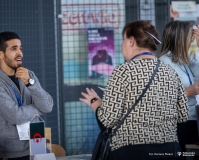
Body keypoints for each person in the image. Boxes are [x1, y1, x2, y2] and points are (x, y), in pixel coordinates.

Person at [79, 20, 189, 160]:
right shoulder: (170, 71)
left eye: (123, 39)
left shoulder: (123, 71)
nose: (122, 45)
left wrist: (94, 101)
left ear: (131, 41)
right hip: (170, 150)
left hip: (133, 151)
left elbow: (108, 119)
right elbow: (183, 115)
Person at [0, 31, 53, 160]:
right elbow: (15, 116)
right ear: (0, 54)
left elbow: (48, 106)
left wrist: (30, 83)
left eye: (20, 48)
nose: (20, 53)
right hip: (12, 154)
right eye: (14, 48)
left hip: (38, 146)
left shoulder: (28, 75)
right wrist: (37, 109)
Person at [158, 21, 199, 155]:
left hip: (190, 120)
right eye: (190, 37)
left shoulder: (182, 59)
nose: (192, 41)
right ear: (180, 38)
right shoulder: (164, 62)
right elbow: (159, 97)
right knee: (181, 155)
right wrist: (188, 92)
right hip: (177, 124)